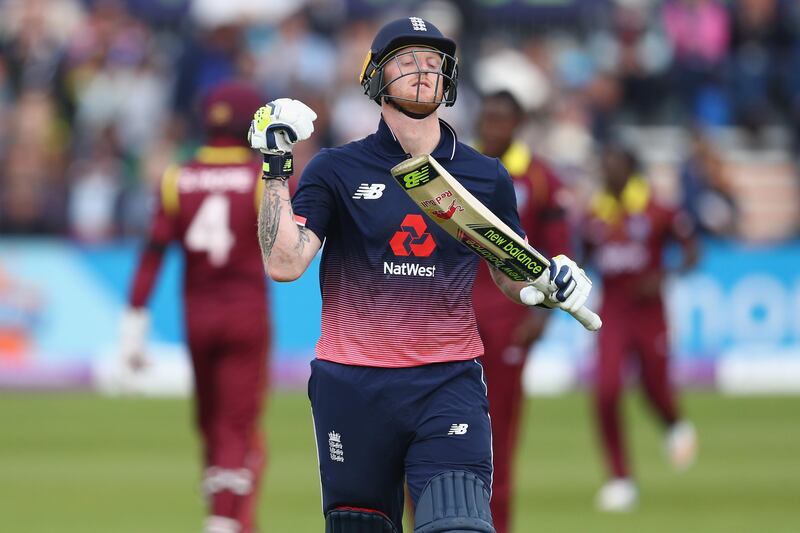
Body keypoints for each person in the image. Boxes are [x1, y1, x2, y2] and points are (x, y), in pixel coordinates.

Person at [247, 17, 595, 533]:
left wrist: (547, 283)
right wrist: (276, 165)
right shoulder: (336, 170)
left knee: (460, 525)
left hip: (447, 380)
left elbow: (509, 273)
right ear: (375, 79)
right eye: (407, 61)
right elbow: (284, 263)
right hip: (352, 385)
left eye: (434, 63)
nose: (423, 72)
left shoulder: (485, 175)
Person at [119, 80, 270, 533]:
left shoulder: (176, 177)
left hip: (197, 314)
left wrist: (134, 321)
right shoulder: (263, 176)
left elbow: (152, 253)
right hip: (245, 314)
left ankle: (229, 516)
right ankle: (224, 521)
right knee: (237, 427)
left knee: (209, 420)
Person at [471, 91, 572, 533]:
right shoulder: (455, 173)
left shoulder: (540, 177)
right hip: (453, 315)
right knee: (429, 431)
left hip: (510, 320)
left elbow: (560, 255)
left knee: (499, 437)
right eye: (487, 119)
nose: (493, 128)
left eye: (502, 120)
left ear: (519, 124)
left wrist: (543, 317)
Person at [582, 143, 700, 512]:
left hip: (649, 311)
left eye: (616, 166)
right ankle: (620, 479)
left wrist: (664, 275)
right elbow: (583, 255)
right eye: (606, 166)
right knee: (606, 389)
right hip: (612, 311)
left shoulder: (657, 208)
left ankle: (673, 422)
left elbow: (692, 251)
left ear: (632, 171)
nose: (609, 174)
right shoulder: (593, 212)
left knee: (654, 386)